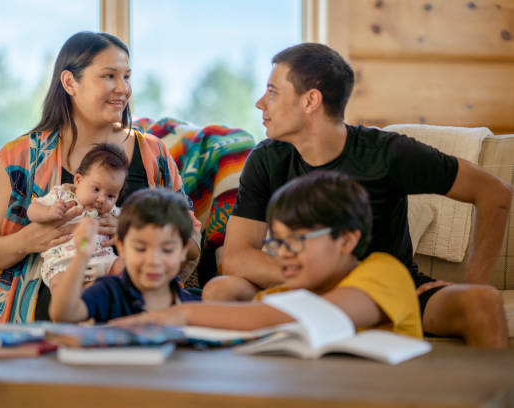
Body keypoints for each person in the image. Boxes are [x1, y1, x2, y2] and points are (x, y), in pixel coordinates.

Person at [203, 43, 511, 348]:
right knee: (221, 291)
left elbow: (494, 192)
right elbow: (237, 258)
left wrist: (475, 281)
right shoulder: (266, 159)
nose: (260, 103)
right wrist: (317, 280)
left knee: (480, 302)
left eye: (272, 92)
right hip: (299, 286)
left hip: (388, 293)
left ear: (311, 100)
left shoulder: (387, 153)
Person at [0, 31, 201, 323]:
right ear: (69, 82)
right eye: (109, 76)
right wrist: (29, 240)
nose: (123, 88)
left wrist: (132, 233)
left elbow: (192, 241)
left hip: (140, 309)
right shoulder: (19, 158)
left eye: (127, 77)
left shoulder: (152, 153)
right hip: (45, 311)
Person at [111, 172, 423, 339]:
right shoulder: (288, 293)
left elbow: (294, 317)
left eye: (295, 242)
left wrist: (178, 315)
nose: (282, 255)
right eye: (276, 243)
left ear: (346, 239)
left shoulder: (385, 272)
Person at [49, 188, 200, 323]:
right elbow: (63, 314)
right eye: (141, 249)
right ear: (121, 247)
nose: (154, 261)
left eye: (167, 250)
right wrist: (81, 256)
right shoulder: (108, 292)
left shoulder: (190, 303)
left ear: (183, 252)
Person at [27, 143, 128, 290]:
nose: (101, 199)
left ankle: (99, 294)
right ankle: (77, 302)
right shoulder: (62, 195)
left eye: (111, 195)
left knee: (125, 268)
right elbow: (32, 210)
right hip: (63, 262)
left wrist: (122, 227)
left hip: (103, 260)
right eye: (96, 189)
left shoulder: (110, 213)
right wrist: (48, 212)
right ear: (78, 180)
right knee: (59, 284)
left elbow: (132, 222)